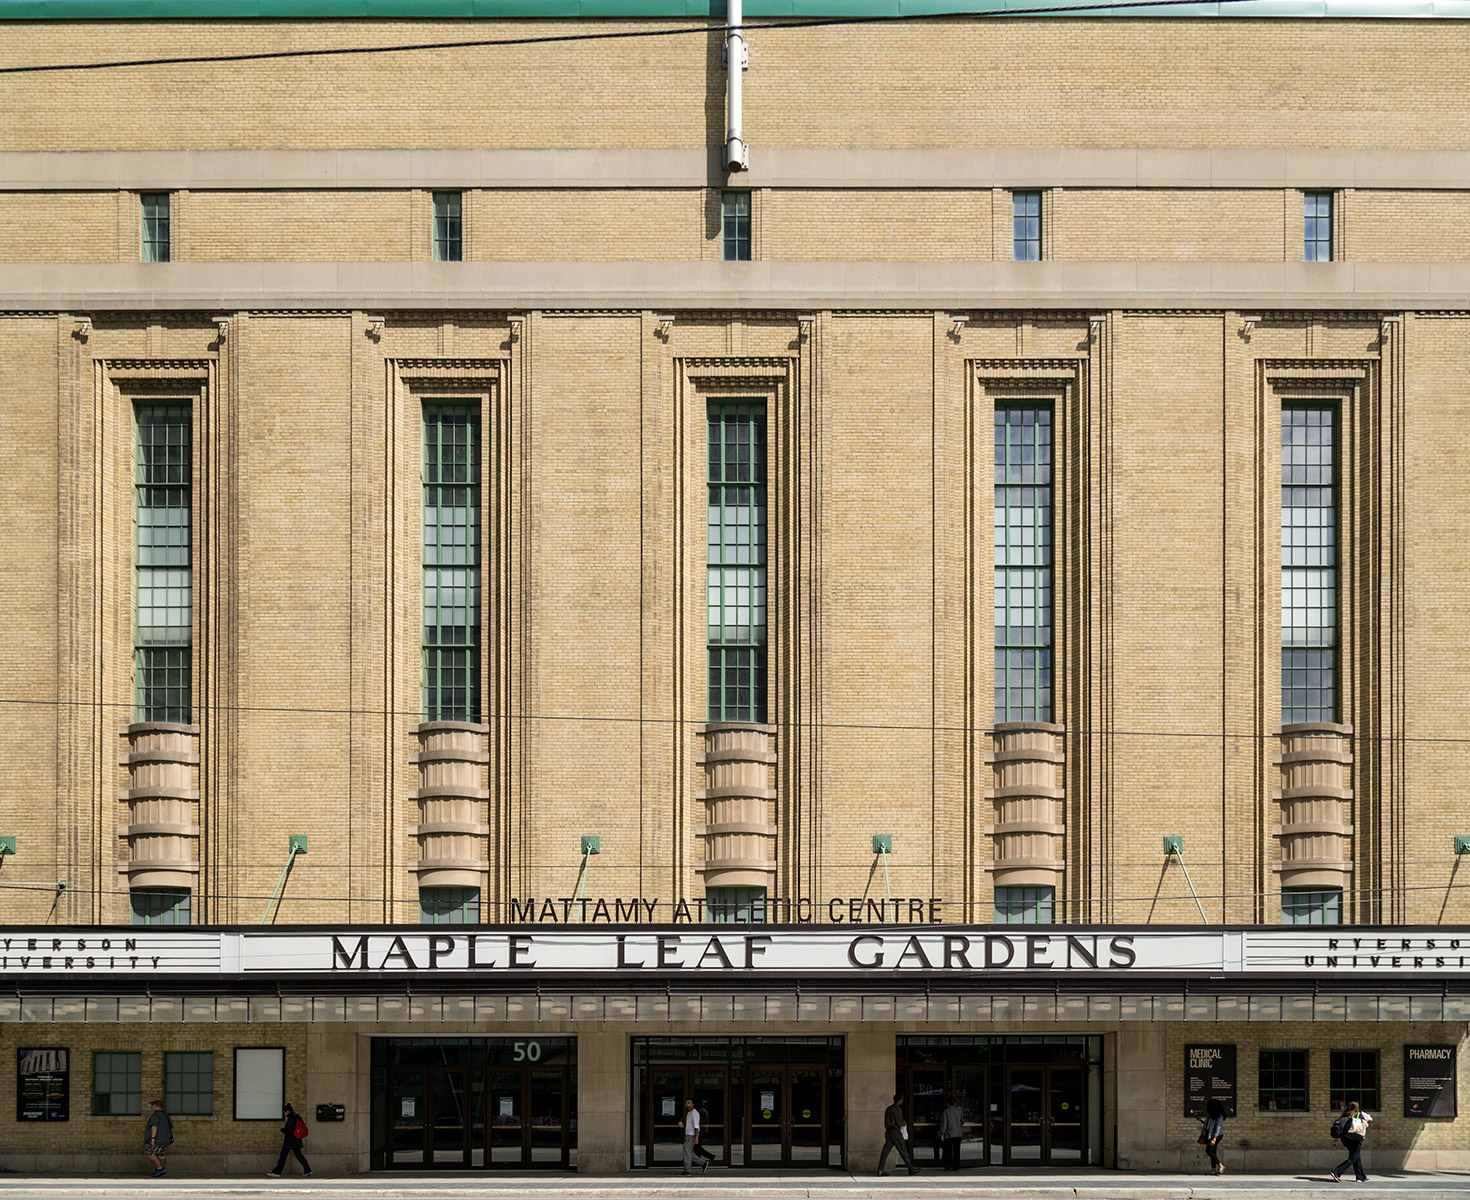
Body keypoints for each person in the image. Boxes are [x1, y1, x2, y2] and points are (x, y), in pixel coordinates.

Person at [878, 1093, 921, 1176]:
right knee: (903, 1150)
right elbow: (898, 1121)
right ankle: (911, 1168)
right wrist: (903, 1123)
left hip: (889, 1132)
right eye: (902, 1099)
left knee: (885, 1151)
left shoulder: (888, 1108)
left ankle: (880, 1169)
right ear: (900, 1100)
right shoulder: (897, 1109)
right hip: (895, 1132)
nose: (902, 1101)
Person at [1331, 1100, 1373, 1183]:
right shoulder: (1359, 1115)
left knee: (1356, 1157)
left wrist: (1335, 1140)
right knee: (1353, 1158)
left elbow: (1341, 1129)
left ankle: (1360, 1176)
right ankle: (1337, 1172)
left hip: (1346, 1139)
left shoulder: (1344, 1115)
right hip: (1356, 1138)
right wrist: (1366, 1121)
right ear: (1357, 1108)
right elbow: (1366, 1125)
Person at [267, 1103, 312, 1178]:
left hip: (290, 1141)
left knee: (283, 1156)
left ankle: (277, 1172)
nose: (284, 1114)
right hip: (296, 1140)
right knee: (299, 1156)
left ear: (287, 1111)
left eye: (284, 1112)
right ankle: (307, 1170)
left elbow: (289, 1130)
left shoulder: (291, 1118)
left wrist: (282, 1130)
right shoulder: (296, 1117)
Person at [679, 1097, 713, 1174]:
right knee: (688, 1152)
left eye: (689, 1103)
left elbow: (696, 1126)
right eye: (686, 1103)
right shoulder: (689, 1113)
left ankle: (687, 1171)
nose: (687, 1104)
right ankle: (703, 1163)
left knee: (687, 1153)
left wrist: (696, 1137)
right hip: (688, 1135)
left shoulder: (694, 1113)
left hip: (691, 1135)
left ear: (693, 1104)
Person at [143, 1099, 172, 1178]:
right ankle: (163, 1170)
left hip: (157, 1139)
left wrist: (153, 1138)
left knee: (149, 1153)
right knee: (161, 1154)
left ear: (156, 1106)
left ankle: (159, 1169)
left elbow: (154, 1127)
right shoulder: (166, 1115)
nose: (151, 1107)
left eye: (152, 1105)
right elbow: (170, 1127)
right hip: (166, 1139)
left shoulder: (155, 1115)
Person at [1197, 1097, 1226, 1175]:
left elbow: (1218, 1128)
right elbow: (1208, 1125)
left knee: (1208, 1150)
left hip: (1216, 1135)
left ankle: (1220, 1165)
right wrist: (1201, 1121)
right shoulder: (1211, 1115)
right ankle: (1213, 1169)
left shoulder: (1219, 1116)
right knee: (1213, 1151)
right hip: (1210, 1135)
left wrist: (1214, 1139)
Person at [939, 1094, 964, 1171]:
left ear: (948, 1104)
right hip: (958, 1133)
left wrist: (942, 1133)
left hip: (949, 1134)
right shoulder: (959, 1111)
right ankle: (956, 1166)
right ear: (955, 1104)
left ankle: (948, 1166)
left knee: (948, 1151)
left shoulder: (946, 1112)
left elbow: (944, 1124)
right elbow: (962, 1122)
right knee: (957, 1151)